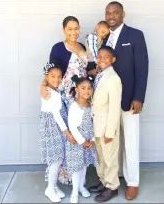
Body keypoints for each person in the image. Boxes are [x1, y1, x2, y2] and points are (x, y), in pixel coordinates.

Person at [104, 1, 149, 200]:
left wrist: (139, 97)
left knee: (130, 141)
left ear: (123, 14)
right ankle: (115, 177)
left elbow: (142, 68)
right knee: (112, 142)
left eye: (115, 12)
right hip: (108, 103)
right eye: (108, 13)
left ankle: (132, 182)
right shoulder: (104, 38)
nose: (111, 16)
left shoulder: (135, 35)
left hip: (129, 99)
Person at [39, 62, 76, 203]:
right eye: (52, 76)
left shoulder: (54, 89)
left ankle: (53, 186)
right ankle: (49, 188)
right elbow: (56, 115)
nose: (56, 79)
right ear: (46, 77)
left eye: (59, 76)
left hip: (58, 125)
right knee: (56, 159)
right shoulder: (49, 92)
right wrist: (67, 133)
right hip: (53, 127)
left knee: (58, 158)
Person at [89, 46, 122, 202]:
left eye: (106, 57)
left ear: (113, 59)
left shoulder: (113, 79)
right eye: (100, 57)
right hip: (97, 126)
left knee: (109, 159)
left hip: (107, 129)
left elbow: (115, 108)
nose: (102, 59)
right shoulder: (100, 75)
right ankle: (104, 182)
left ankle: (112, 187)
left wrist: (110, 132)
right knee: (101, 158)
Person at [41, 16, 88, 108]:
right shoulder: (58, 48)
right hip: (65, 95)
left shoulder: (83, 46)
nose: (73, 32)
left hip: (82, 95)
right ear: (64, 30)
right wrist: (43, 86)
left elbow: (84, 69)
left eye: (76, 29)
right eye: (70, 29)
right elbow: (51, 72)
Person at [66, 75, 99, 203]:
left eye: (89, 88)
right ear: (77, 89)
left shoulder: (91, 105)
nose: (86, 91)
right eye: (83, 88)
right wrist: (82, 141)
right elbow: (72, 127)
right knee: (77, 167)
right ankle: (74, 191)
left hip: (88, 142)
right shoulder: (74, 106)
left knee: (84, 165)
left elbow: (94, 124)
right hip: (77, 142)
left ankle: (81, 186)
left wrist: (92, 140)